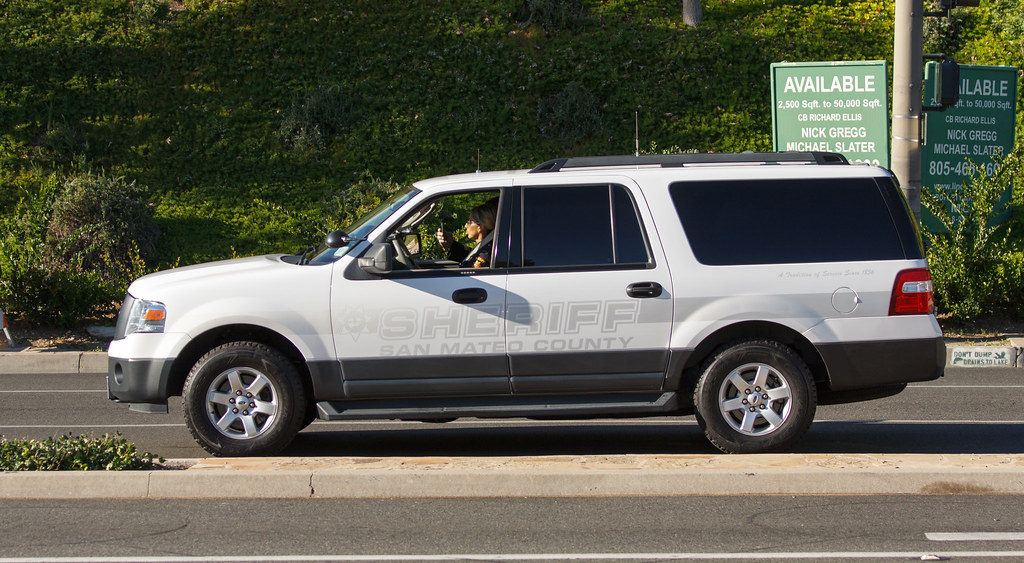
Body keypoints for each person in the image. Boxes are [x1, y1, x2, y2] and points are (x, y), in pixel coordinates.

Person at [436, 202, 496, 268]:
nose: (465, 226)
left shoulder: (485, 255)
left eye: (469, 221)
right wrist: (451, 245)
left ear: (480, 227)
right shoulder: (482, 247)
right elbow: (468, 255)